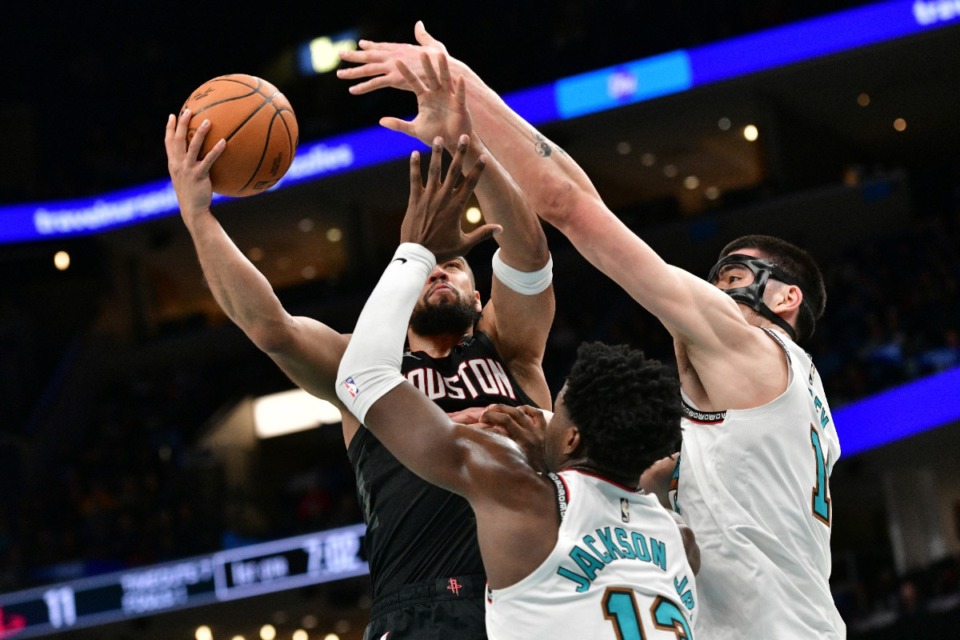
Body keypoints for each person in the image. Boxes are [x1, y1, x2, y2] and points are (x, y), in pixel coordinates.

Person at [338, 26, 844, 638]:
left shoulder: (748, 346)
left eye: (735, 275)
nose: (714, 290)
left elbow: (570, 203)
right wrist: (552, 450)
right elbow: (647, 482)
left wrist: (463, 94)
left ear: (787, 299)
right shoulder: (782, 411)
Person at [164, 104, 555, 639]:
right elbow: (271, 327)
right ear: (398, 286)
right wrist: (198, 216)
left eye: (456, 264)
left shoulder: (510, 348)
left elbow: (529, 256)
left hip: (539, 593)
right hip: (421, 605)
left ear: (479, 293)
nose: (438, 268)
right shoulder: (361, 366)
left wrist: (471, 152)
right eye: (425, 264)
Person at [335, 139, 699, 639]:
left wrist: (413, 250)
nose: (543, 413)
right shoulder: (678, 540)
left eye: (558, 410)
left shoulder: (519, 494)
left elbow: (363, 378)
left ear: (573, 439)